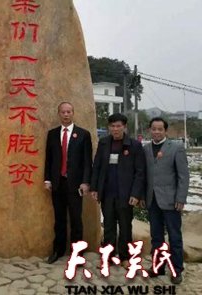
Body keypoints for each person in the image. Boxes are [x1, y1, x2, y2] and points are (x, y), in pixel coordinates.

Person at [90, 113, 145, 268]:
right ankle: (108, 257)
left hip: (126, 194)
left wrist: (135, 194)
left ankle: (125, 257)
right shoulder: (104, 143)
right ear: (109, 127)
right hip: (107, 193)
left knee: (125, 226)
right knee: (108, 226)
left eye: (118, 126)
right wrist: (95, 188)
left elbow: (140, 172)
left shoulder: (134, 145)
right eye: (112, 126)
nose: (115, 129)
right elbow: (97, 166)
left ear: (124, 127)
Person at [142, 117, 189, 285]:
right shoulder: (146, 149)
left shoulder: (176, 148)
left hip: (171, 200)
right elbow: (144, 175)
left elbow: (183, 176)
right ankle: (158, 267)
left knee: (174, 236)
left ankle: (177, 269)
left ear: (165, 131)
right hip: (152, 199)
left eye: (160, 129)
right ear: (149, 130)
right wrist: (143, 196)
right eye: (153, 129)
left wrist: (181, 198)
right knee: (156, 237)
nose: (156, 132)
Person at [44, 101, 93, 264]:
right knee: (59, 219)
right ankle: (58, 250)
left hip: (76, 185)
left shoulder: (83, 134)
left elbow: (87, 162)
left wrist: (86, 182)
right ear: (59, 114)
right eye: (63, 112)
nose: (66, 114)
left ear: (73, 113)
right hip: (57, 183)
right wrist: (47, 179)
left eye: (69, 112)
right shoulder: (52, 134)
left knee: (76, 220)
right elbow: (48, 159)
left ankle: (77, 254)